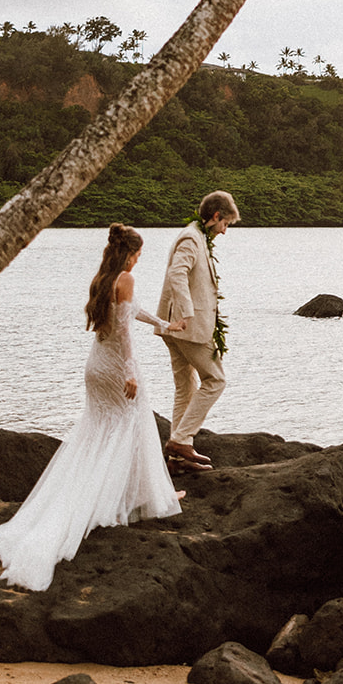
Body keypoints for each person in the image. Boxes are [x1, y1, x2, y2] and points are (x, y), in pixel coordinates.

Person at [0, 223, 182, 593]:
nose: (139, 260)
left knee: (99, 433)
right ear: (129, 253)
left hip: (95, 366)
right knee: (130, 425)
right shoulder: (126, 278)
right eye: (138, 254)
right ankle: (143, 498)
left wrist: (165, 324)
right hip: (115, 365)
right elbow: (124, 331)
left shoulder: (102, 279)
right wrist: (130, 371)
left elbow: (130, 314)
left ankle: (137, 495)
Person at [157, 189, 240, 474]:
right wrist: (187, 312)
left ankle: (178, 459)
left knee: (185, 387)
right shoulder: (192, 238)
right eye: (225, 224)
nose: (225, 231)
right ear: (215, 216)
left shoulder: (196, 235)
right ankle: (180, 441)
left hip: (175, 327)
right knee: (215, 380)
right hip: (186, 327)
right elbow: (177, 273)